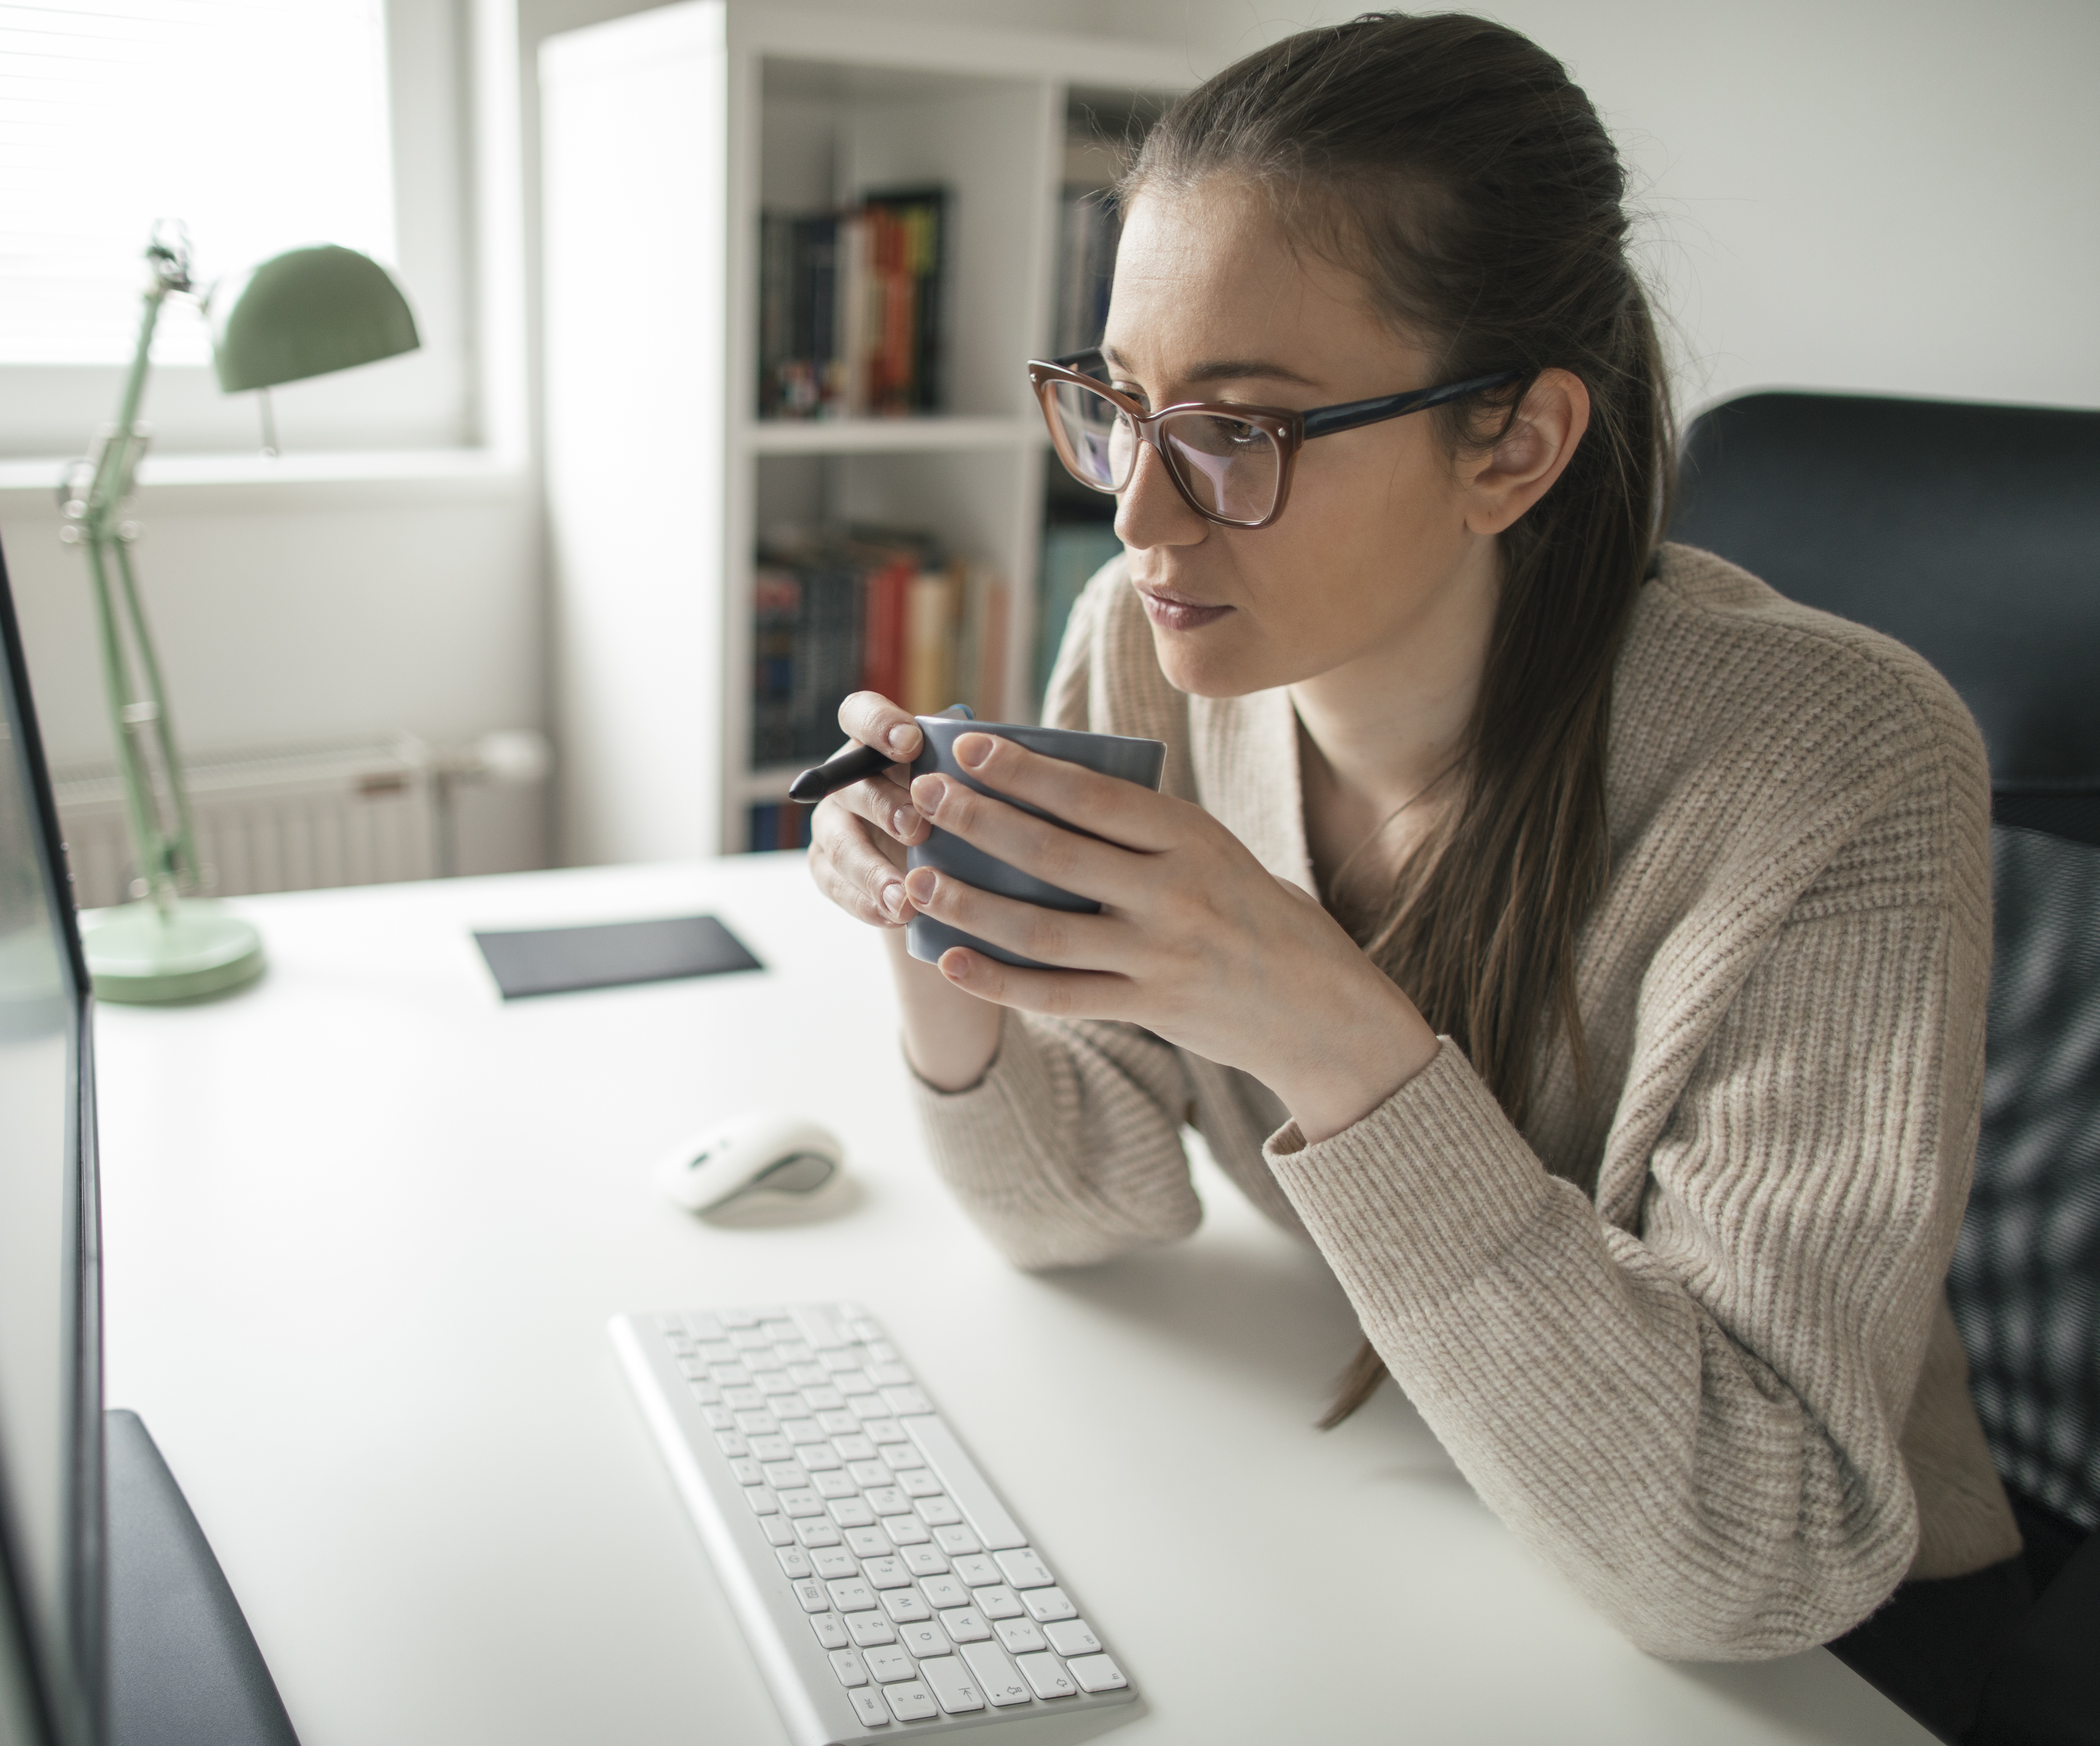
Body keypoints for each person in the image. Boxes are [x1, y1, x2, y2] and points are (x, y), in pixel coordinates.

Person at [803, 12, 2029, 1737]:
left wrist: (1323, 1026)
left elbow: (1759, 1551)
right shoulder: (1146, 644)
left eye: (1238, 431)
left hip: (1806, 1664)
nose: (1140, 518)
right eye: (1118, 408)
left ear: (1516, 446)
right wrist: (943, 924)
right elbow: (1082, 1208)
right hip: (1414, 1476)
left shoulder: (1839, 763)